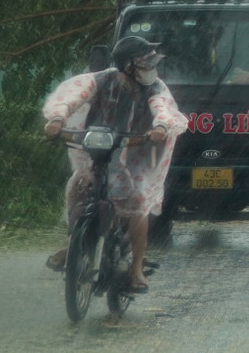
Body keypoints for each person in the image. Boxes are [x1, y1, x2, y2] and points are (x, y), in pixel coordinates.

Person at [43, 36, 188, 293]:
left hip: (139, 151)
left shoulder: (155, 87)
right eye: (144, 63)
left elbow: (163, 108)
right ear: (127, 65)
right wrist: (57, 118)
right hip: (98, 147)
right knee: (77, 183)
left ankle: (136, 267)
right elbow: (72, 96)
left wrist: (161, 125)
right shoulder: (101, 80)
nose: (149, 68)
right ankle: (73, 243)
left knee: (138, 201)